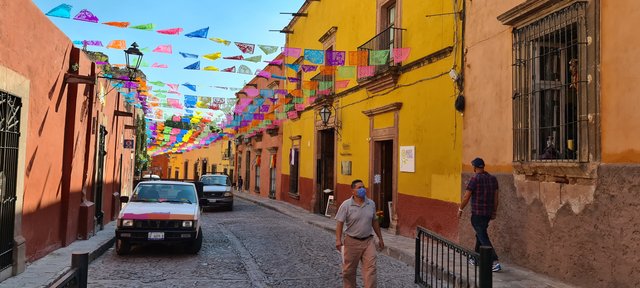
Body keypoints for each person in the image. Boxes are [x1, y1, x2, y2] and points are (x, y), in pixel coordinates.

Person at [335, 179, 384, 288]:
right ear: (353, 191)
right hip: (351, 241)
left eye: (363, 187)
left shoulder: (371, 204)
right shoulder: (346, 205)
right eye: (359, 187)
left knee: (371, 269)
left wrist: (380, 238)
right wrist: (338, 240)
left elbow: (375, 222)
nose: (362, 189)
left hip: (368, 241)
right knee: (349, 271)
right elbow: (340, 223)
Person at [457, 157, 502, 272]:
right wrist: (494, 211)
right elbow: (496, 199)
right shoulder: (493, 179)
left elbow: (466, 196)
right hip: (487, 214)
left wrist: (461, 209)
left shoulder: (474, 179)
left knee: (482, 236)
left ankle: (494, 261)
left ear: (475, 168)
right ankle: (475, 258)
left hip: (477, 214)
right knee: (480, 234)